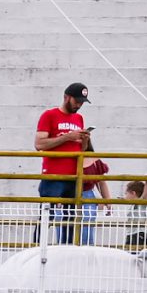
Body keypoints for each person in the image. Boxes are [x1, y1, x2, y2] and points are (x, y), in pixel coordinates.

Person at [35, 82, 95, 245]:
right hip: (53, 174)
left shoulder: (79, 118)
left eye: (82, 102)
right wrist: (67, 137)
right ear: (66, 97)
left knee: (71, 217)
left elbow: (80, 151)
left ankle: (67, 248)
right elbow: (39, 144)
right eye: (76, 101)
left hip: (73, 176)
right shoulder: (49, 115)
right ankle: (37, 247)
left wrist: (84, 141)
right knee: (47, 215)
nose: (79, 105)